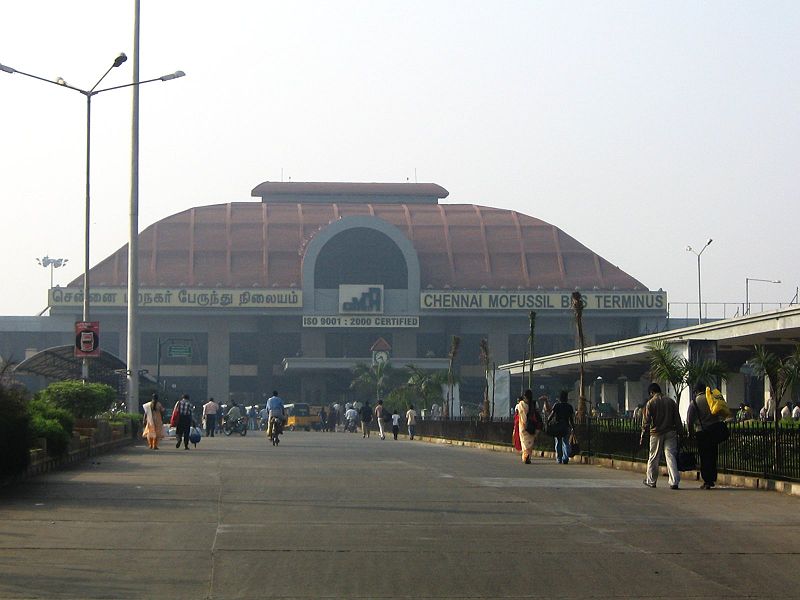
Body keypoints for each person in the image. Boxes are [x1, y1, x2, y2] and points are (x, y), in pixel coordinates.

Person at [640, 383, 682, 489]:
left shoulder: (651, 403)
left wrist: (643, 434)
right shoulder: (671, 401)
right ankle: (674, 481)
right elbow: (677, 419)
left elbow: (646, 422)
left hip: (656, 433)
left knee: (654, 457)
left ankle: (651, 481)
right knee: (670, 456)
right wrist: (681, 432)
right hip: (670, 432)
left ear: (651, 392)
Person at [687, 382, 727, 489]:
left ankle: (707, 480)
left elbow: (689, 420)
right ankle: (712, 478)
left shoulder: (694, 402)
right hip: (714, 431)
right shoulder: (712, 398)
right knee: (713, 455)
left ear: (695, 391)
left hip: (702, 432)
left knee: (704, 457)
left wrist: (690, 434)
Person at [548, 390, 575, 464]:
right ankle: (565, 458)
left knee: (558, 442)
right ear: (566, 398)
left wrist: (547, 422)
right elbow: (571, 419)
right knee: (566, 442)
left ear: (559, 398)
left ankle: (559, 458)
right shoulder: (569, 406)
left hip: (558, 426)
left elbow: (551, 415)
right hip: (566, 426)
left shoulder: (557, 405)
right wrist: (573, 427)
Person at [515, 394, 537, 464]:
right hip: (532, 426)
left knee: (524, 443)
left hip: (522, 426)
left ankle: (525, 456)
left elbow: (517, 413)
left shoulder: (521, 404)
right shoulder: (533, 404)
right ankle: (529, 456)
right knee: (530, 443)